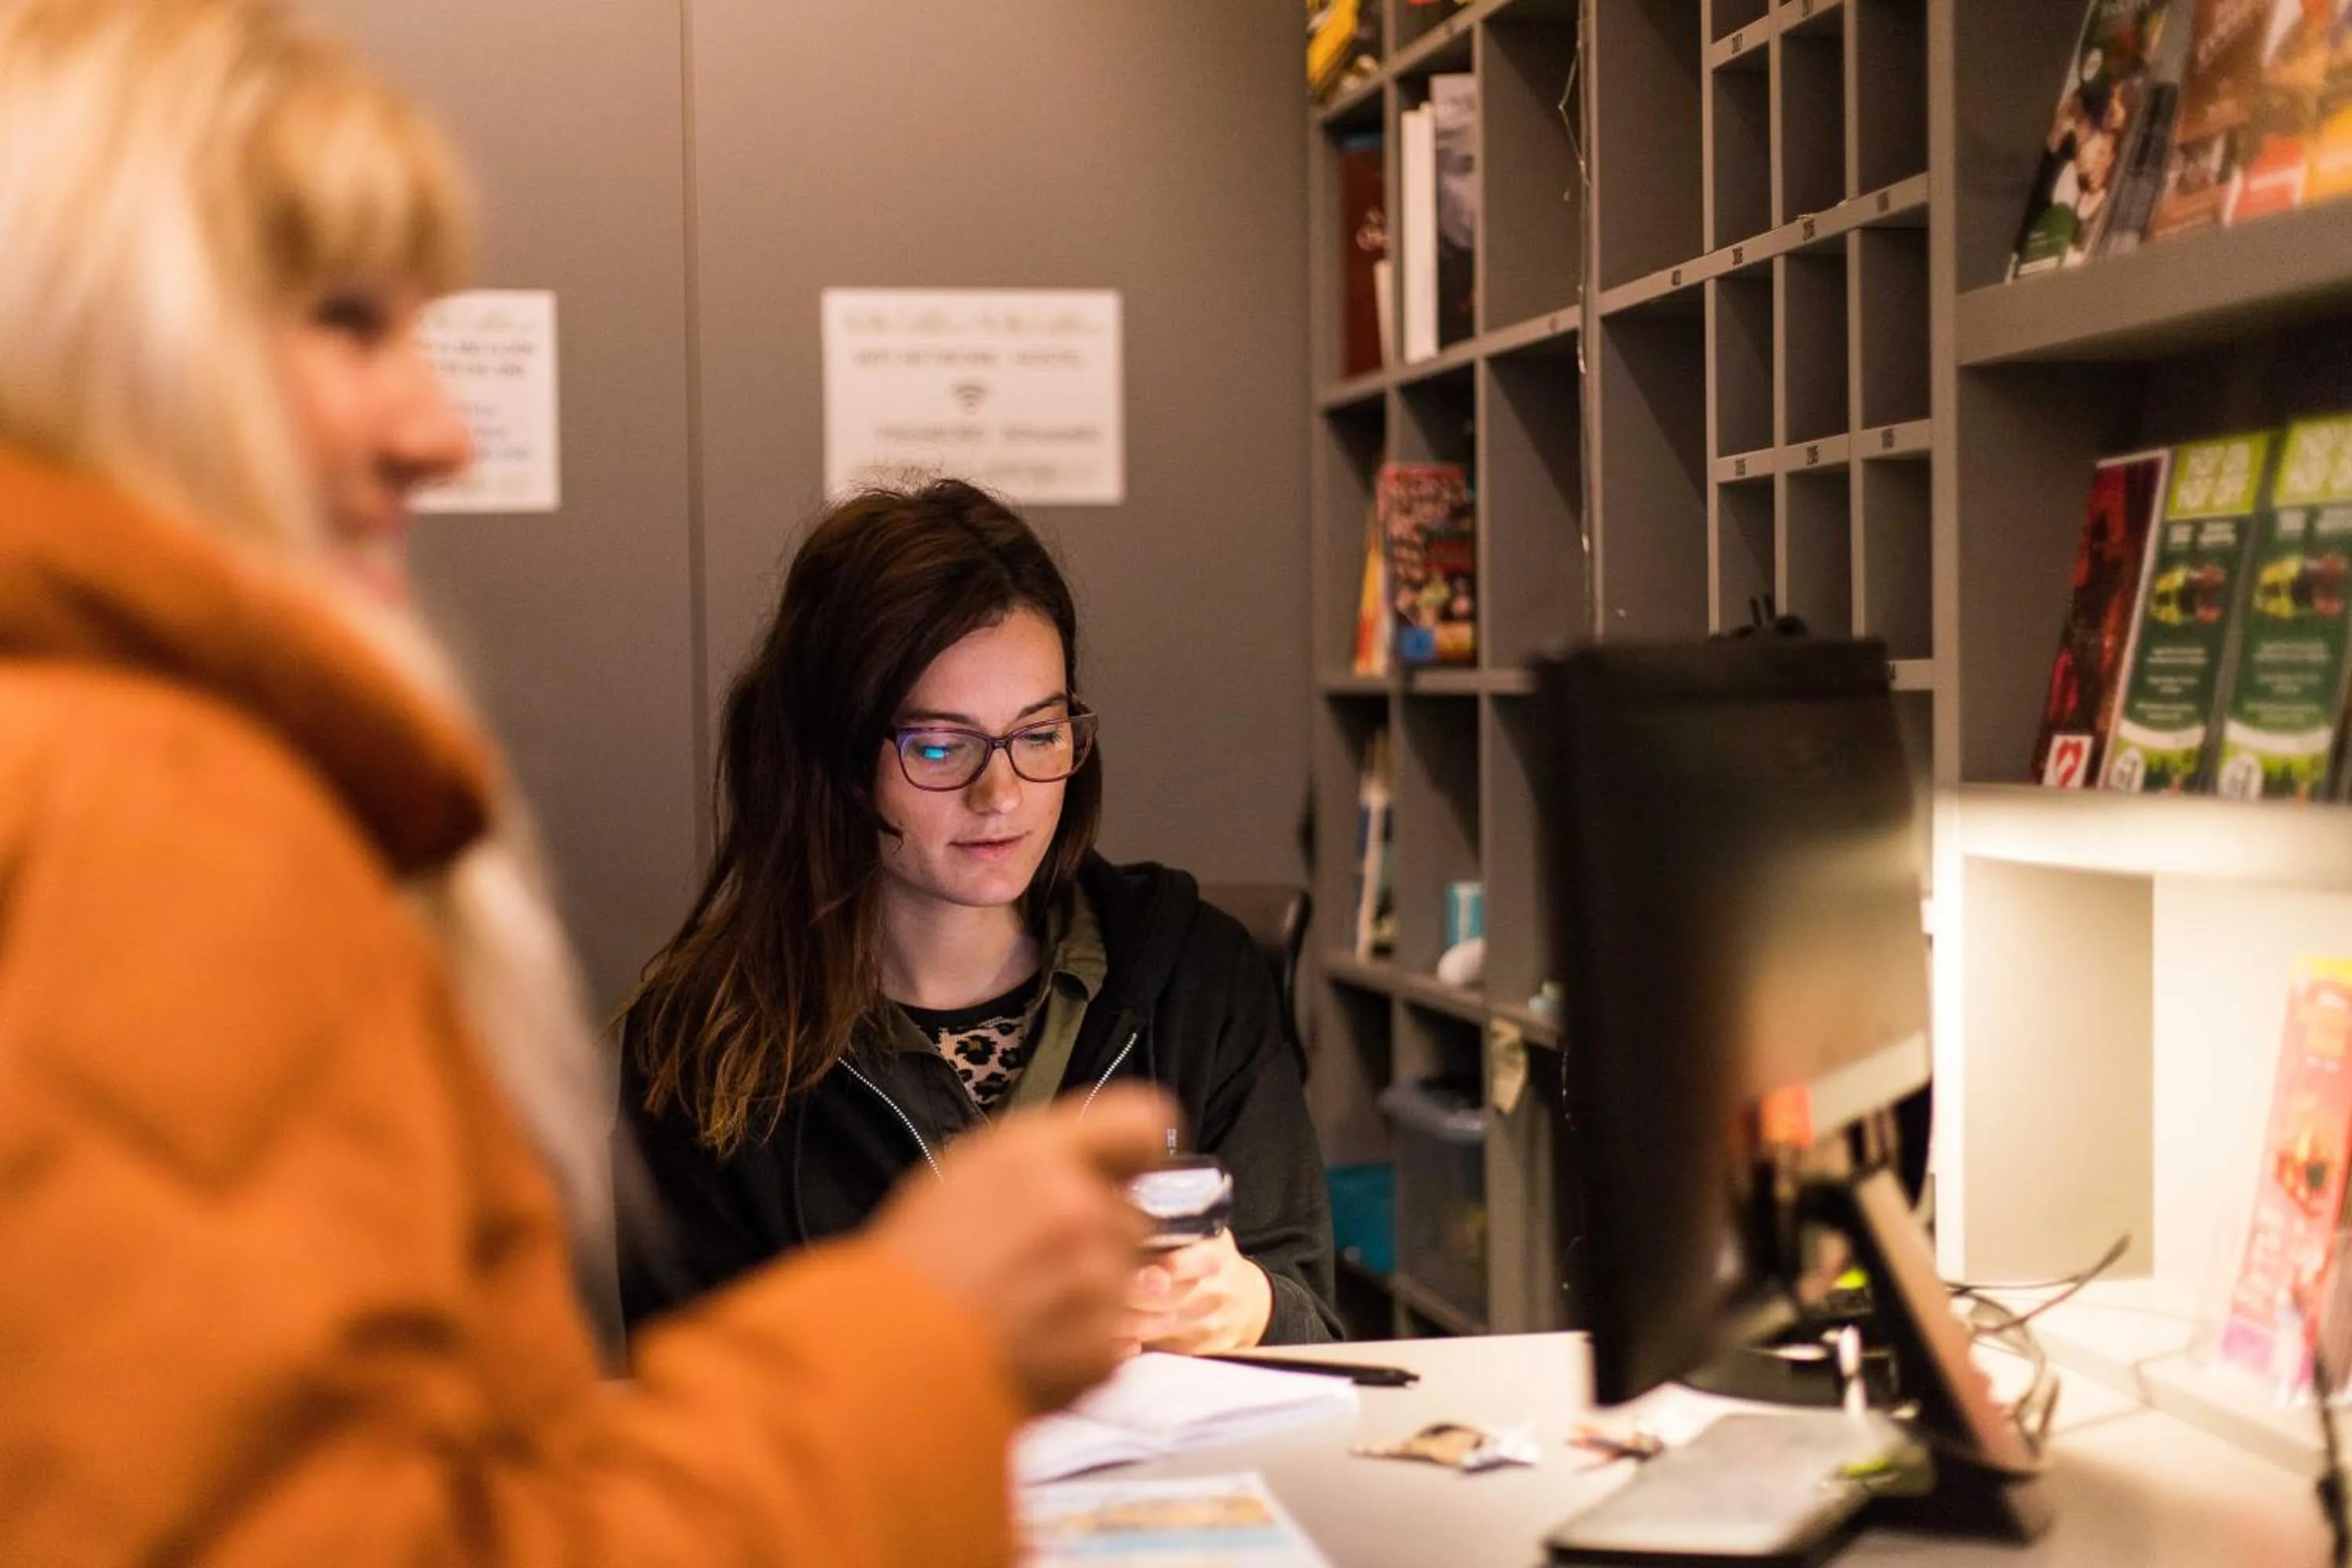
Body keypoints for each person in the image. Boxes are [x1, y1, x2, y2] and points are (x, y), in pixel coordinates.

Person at [0, 2, 1174, 1563]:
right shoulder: (155, 817)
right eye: (350, 321)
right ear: (107, 337)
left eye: (1039, 733)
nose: (439, 425)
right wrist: (920, 1340)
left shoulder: (1187, 968)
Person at [621, 483, 1343, 1352]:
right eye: (939, 745)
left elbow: (1319, 1323)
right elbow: (692, 1396)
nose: (1001, 796)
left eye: (1039, 735)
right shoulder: (706, 1040)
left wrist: (1248, 1304)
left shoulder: (1197, 973)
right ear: (840, 759)